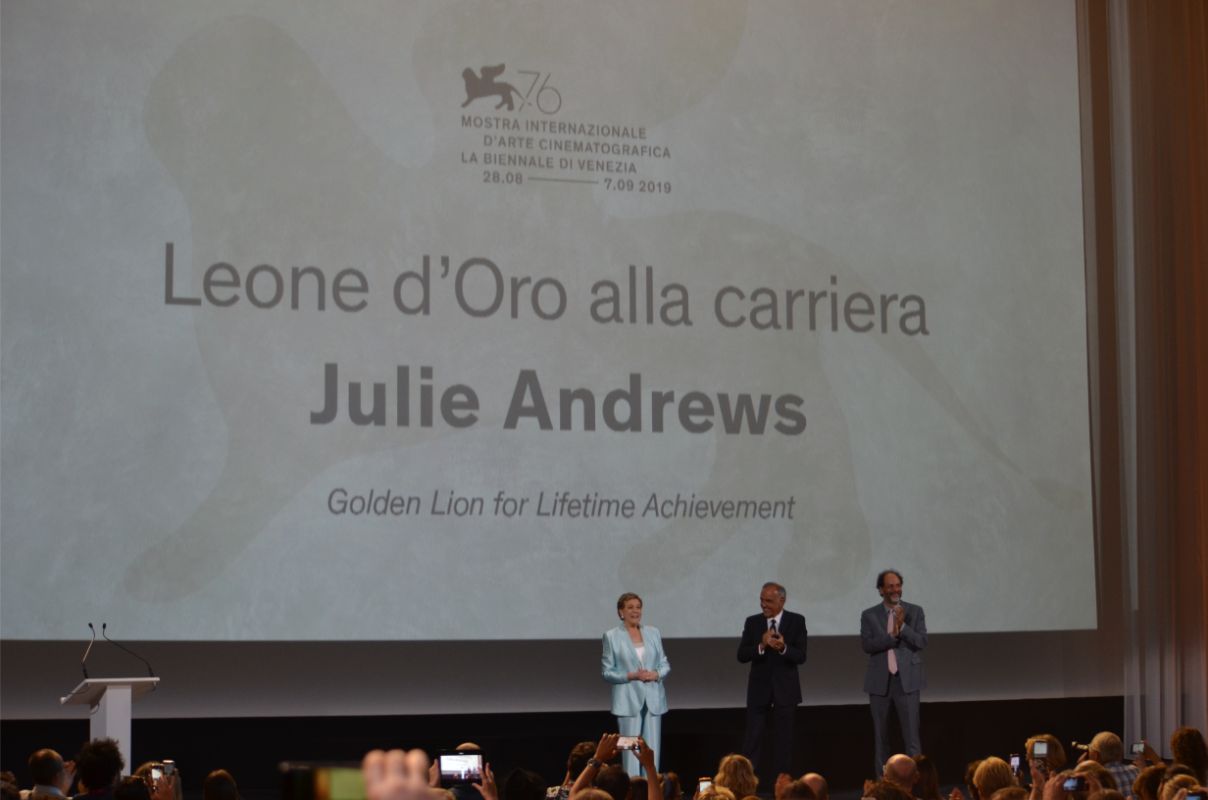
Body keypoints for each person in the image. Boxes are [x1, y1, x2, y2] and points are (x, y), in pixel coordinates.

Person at [737, 582, 807, 779]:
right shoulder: (752, 622)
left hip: (786, 691)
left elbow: (801, 656)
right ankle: (746, 784)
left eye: (768, 601)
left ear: (781, 600)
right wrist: (761, 645)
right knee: (752, 740)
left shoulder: (796, 621)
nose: (763, 605)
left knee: (784, 741)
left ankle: (782, 785)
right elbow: (741, 655)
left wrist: (783, 648)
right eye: (761, 600)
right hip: (759, 691)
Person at [861, 569, 927, 773]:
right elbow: (867, 645)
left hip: (907, 682)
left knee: (912, 739)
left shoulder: (915, 611)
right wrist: (892, 636)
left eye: (898, 585)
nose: (895, 589)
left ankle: (916, 784)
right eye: (890, 586)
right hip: (880, 683)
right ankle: (883, 786)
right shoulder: (869, 615)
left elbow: (921, 641)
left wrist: (903, 627)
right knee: (881, 739)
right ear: (881, 590)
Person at [602, 593, 670, 776]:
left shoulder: (653, 632)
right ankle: (632, 791)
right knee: (630, 752)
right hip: (627, 702)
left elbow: (664, 663)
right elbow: (607, 672)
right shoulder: (611, 636)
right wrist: (631, 675)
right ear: (621, 612)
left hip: (654, 699)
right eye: (630, 607)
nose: (635, 611)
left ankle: (652, 790)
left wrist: (656, 674)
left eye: (638, 607)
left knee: (651, 752)